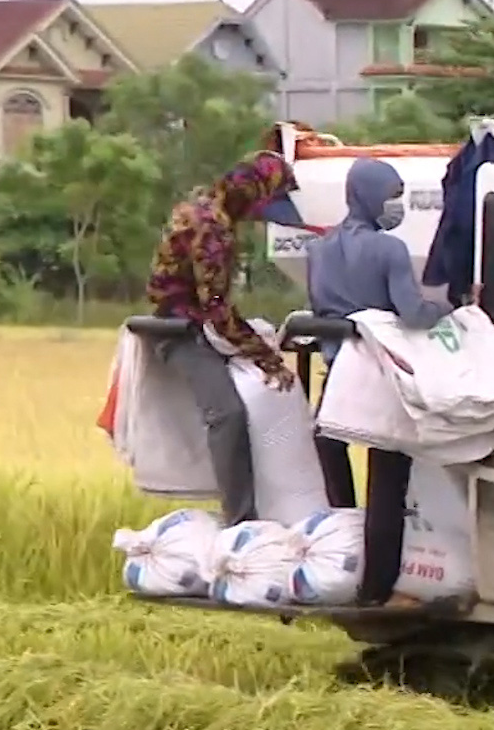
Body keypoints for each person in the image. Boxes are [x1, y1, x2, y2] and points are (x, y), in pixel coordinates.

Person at [307, 158, 457, 608]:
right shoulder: (388, 249)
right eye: (392, 196)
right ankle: (375, 590)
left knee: (335, 462)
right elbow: (411, 313)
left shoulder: (318, 250)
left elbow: (320, 313)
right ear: (371, 196)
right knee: (387, 481)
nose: (396, 205)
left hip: (335, 375)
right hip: (380, 372)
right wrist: (448, 311)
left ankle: (340, 553)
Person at [144, 151, 299, 526]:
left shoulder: (208, 209)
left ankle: (249, 511)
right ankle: (241, 519)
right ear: (254, 194)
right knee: (227, 414)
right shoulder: (213, 231)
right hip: (180, 331)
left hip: (191, 323)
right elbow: (215, 309)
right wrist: (267, 357)